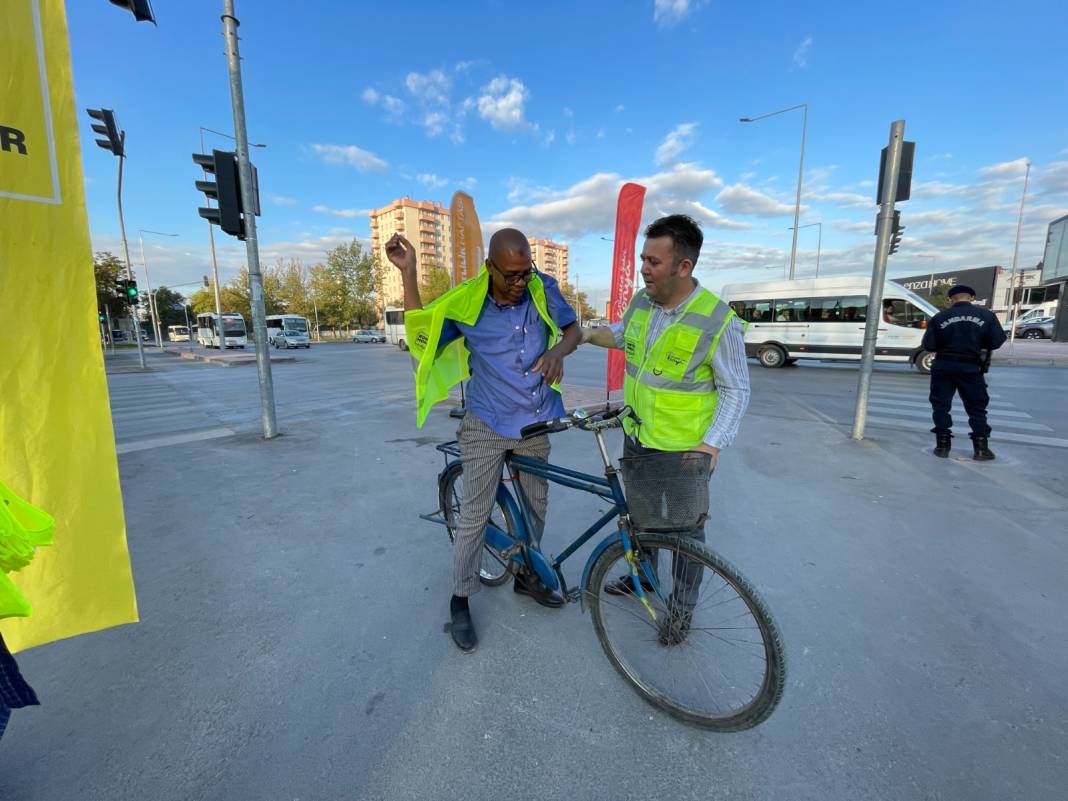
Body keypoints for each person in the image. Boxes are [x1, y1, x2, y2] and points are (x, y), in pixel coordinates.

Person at [385, 228, 582, 653]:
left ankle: (527, 575)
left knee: (536, 507)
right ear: (489, 267)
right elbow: (423, 336)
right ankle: (460, 598)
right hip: (487, 421)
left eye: (524, 272)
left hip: (536, 420)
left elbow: (573, 329)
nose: (519, 282)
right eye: (510, 274)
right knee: (474, 514)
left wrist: (557, 353)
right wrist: (409, 275)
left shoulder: (543, 287)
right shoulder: (467, 302)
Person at [581, 214, 750, 643]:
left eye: (654, 261)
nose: (644, 268)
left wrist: (712, 445)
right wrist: (584, 334)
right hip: (637, 436)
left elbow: (736, 390)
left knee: (686, 536)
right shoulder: (643, 301)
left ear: (684, 266)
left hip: (684, 450)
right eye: (642, 258)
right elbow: (622, 335)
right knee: (641, 519)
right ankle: (646, 579)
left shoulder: (717, 319)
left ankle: (681, 612)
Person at [920, 284, 1007, 460]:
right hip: (971, 367)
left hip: (944, 366)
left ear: (950, 299)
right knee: (977, 408)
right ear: (972, 298)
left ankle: (942, 446)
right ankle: (981, 449)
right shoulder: (987, 315)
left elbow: (929, 345)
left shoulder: (940, 317)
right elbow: (996, 341)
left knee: (941, 406)